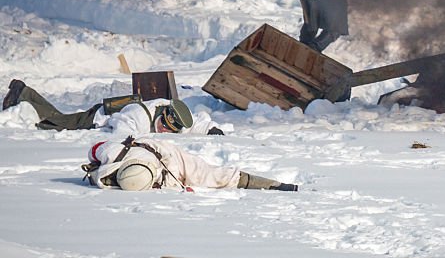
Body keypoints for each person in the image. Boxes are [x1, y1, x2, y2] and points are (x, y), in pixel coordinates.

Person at [2, 79, 223, 135]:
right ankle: (21, 96)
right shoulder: (140, 116)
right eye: (164, 127)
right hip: (97, 118)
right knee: (55, 123)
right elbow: (122, 127)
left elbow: (194, 121)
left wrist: (211, 128)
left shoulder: (172, 113)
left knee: (60, 116)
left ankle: (25, 92)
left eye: (169, 131)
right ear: (163, 117)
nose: (165, 131)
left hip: (113, 112)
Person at [84, 137, 297, 192]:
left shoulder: (172, 160)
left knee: (217, 176)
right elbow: (94, 150)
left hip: (167, 154)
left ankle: (272, 185)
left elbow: (95, 149)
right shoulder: (113, 160)